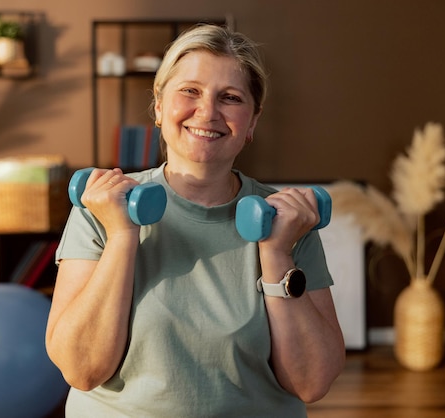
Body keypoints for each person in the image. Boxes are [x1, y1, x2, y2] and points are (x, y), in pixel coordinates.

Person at [45, 23, 345, 417]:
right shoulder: (102, 205)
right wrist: (121, 234)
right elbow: (82, 370)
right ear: (158, 106)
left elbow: (312, 382)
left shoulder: (287, 219)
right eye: (190, 91)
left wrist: (276, 252)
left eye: (231, 97)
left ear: (252, 122)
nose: (207, 111)